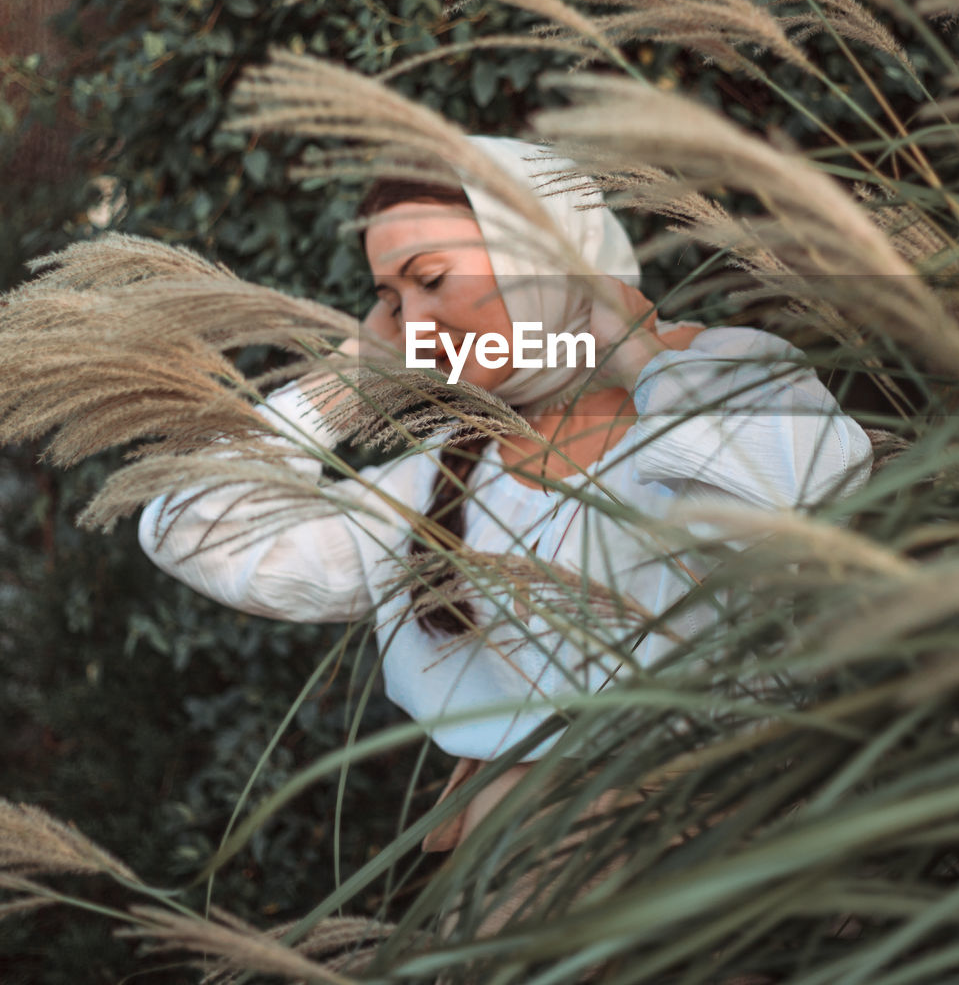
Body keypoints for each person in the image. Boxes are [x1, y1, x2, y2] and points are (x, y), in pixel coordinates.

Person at [137, 134, 872, 859]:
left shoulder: (722, 372)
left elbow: (797, 502)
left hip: (748, 843)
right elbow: (193, 529)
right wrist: (346, 381)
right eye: (390, 302)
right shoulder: (438, 474)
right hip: (533, 865)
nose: (415, 327)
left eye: (431, 279)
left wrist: (639, 355)